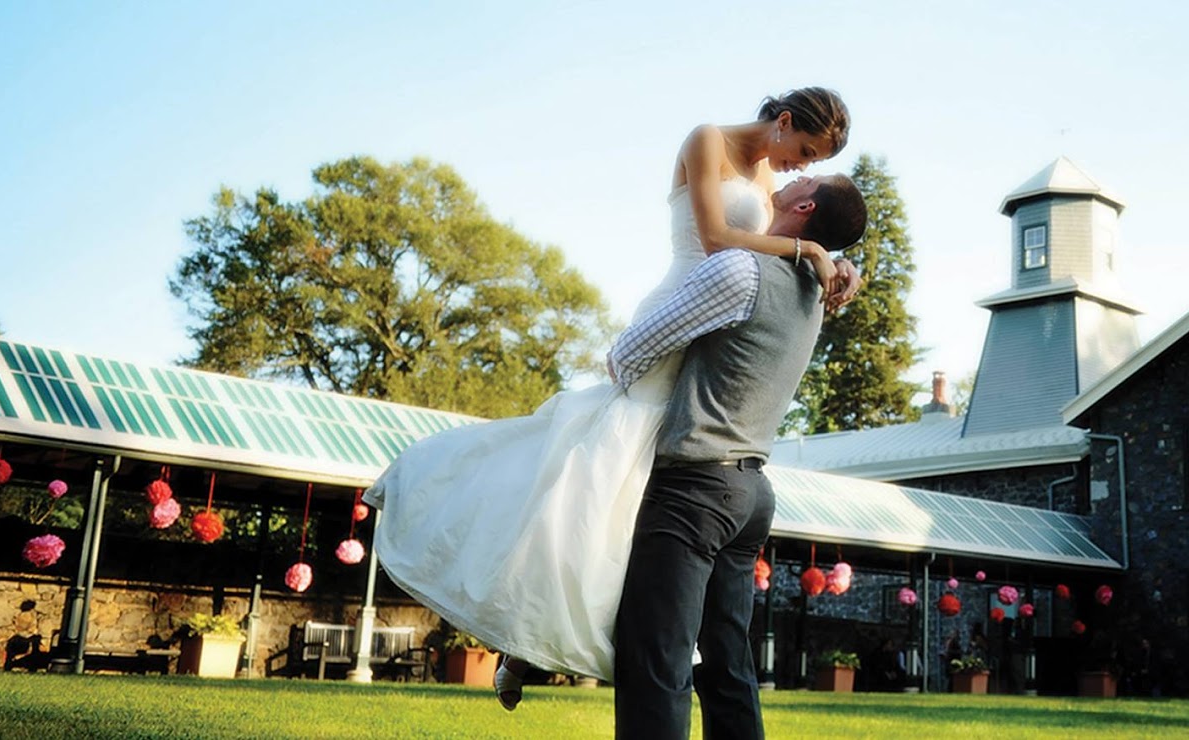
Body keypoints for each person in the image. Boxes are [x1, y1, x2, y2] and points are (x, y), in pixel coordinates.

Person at [362, 88, 861, 707]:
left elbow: (788, 238)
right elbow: (715, 236)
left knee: (625, 518)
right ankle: (494, 594)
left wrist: (837, 263)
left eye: (813, 161)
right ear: (783, 122)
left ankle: (530, 645)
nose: (800, 168)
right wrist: (803, 248)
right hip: (682, 313)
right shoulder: (708, 139)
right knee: (588, 481)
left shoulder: (771, 179)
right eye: (804, 150)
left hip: (714, 346)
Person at [609, 174, 868, 739]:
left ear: (803, 205)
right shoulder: (812, 288)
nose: (794, 174)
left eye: (809, 177)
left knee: (658, 662)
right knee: (728, 668)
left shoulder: (741, 270)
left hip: (694, 490)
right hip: (750, 494)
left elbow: (628, 355)